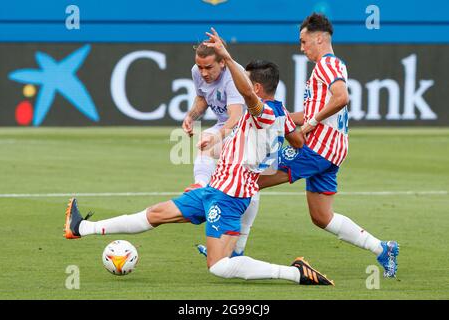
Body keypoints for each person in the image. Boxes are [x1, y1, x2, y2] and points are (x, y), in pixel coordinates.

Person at [64, 28, 334, 286]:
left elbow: (248, 95)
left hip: (229, 196)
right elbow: (298, 141)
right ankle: (82, 228)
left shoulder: (263, 112)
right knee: (155, 214)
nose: (239, 85)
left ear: (258, 88)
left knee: (219, 266)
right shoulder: (283, 117)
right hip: (214, 188)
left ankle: (294, 273)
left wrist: (227, 58)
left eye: (246, 82)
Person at [197, 13, 400, 279]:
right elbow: (312, 112)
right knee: (321, 216)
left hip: (316, 148)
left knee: (247, 178)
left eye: (304, 42)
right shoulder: (330, 67)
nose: (301, 47)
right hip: (331, 151)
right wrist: (286, 120)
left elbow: (341, 99)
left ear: (319, 38)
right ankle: (382, 248)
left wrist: (309, 123)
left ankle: (235, 251)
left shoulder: (328, 64)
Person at [182, 40, 244, 192]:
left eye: (208, 67)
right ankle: (200, 186)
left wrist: (215, 138)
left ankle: (203, 187)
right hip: (226, 126)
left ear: (222, 62)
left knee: (242, 183)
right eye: (200, 67)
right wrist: (191, 116)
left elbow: (236, 118)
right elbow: (202, 98)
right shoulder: (196, 71)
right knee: (206, 141)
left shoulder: (233, 76)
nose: (203, 73)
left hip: (251, 129)